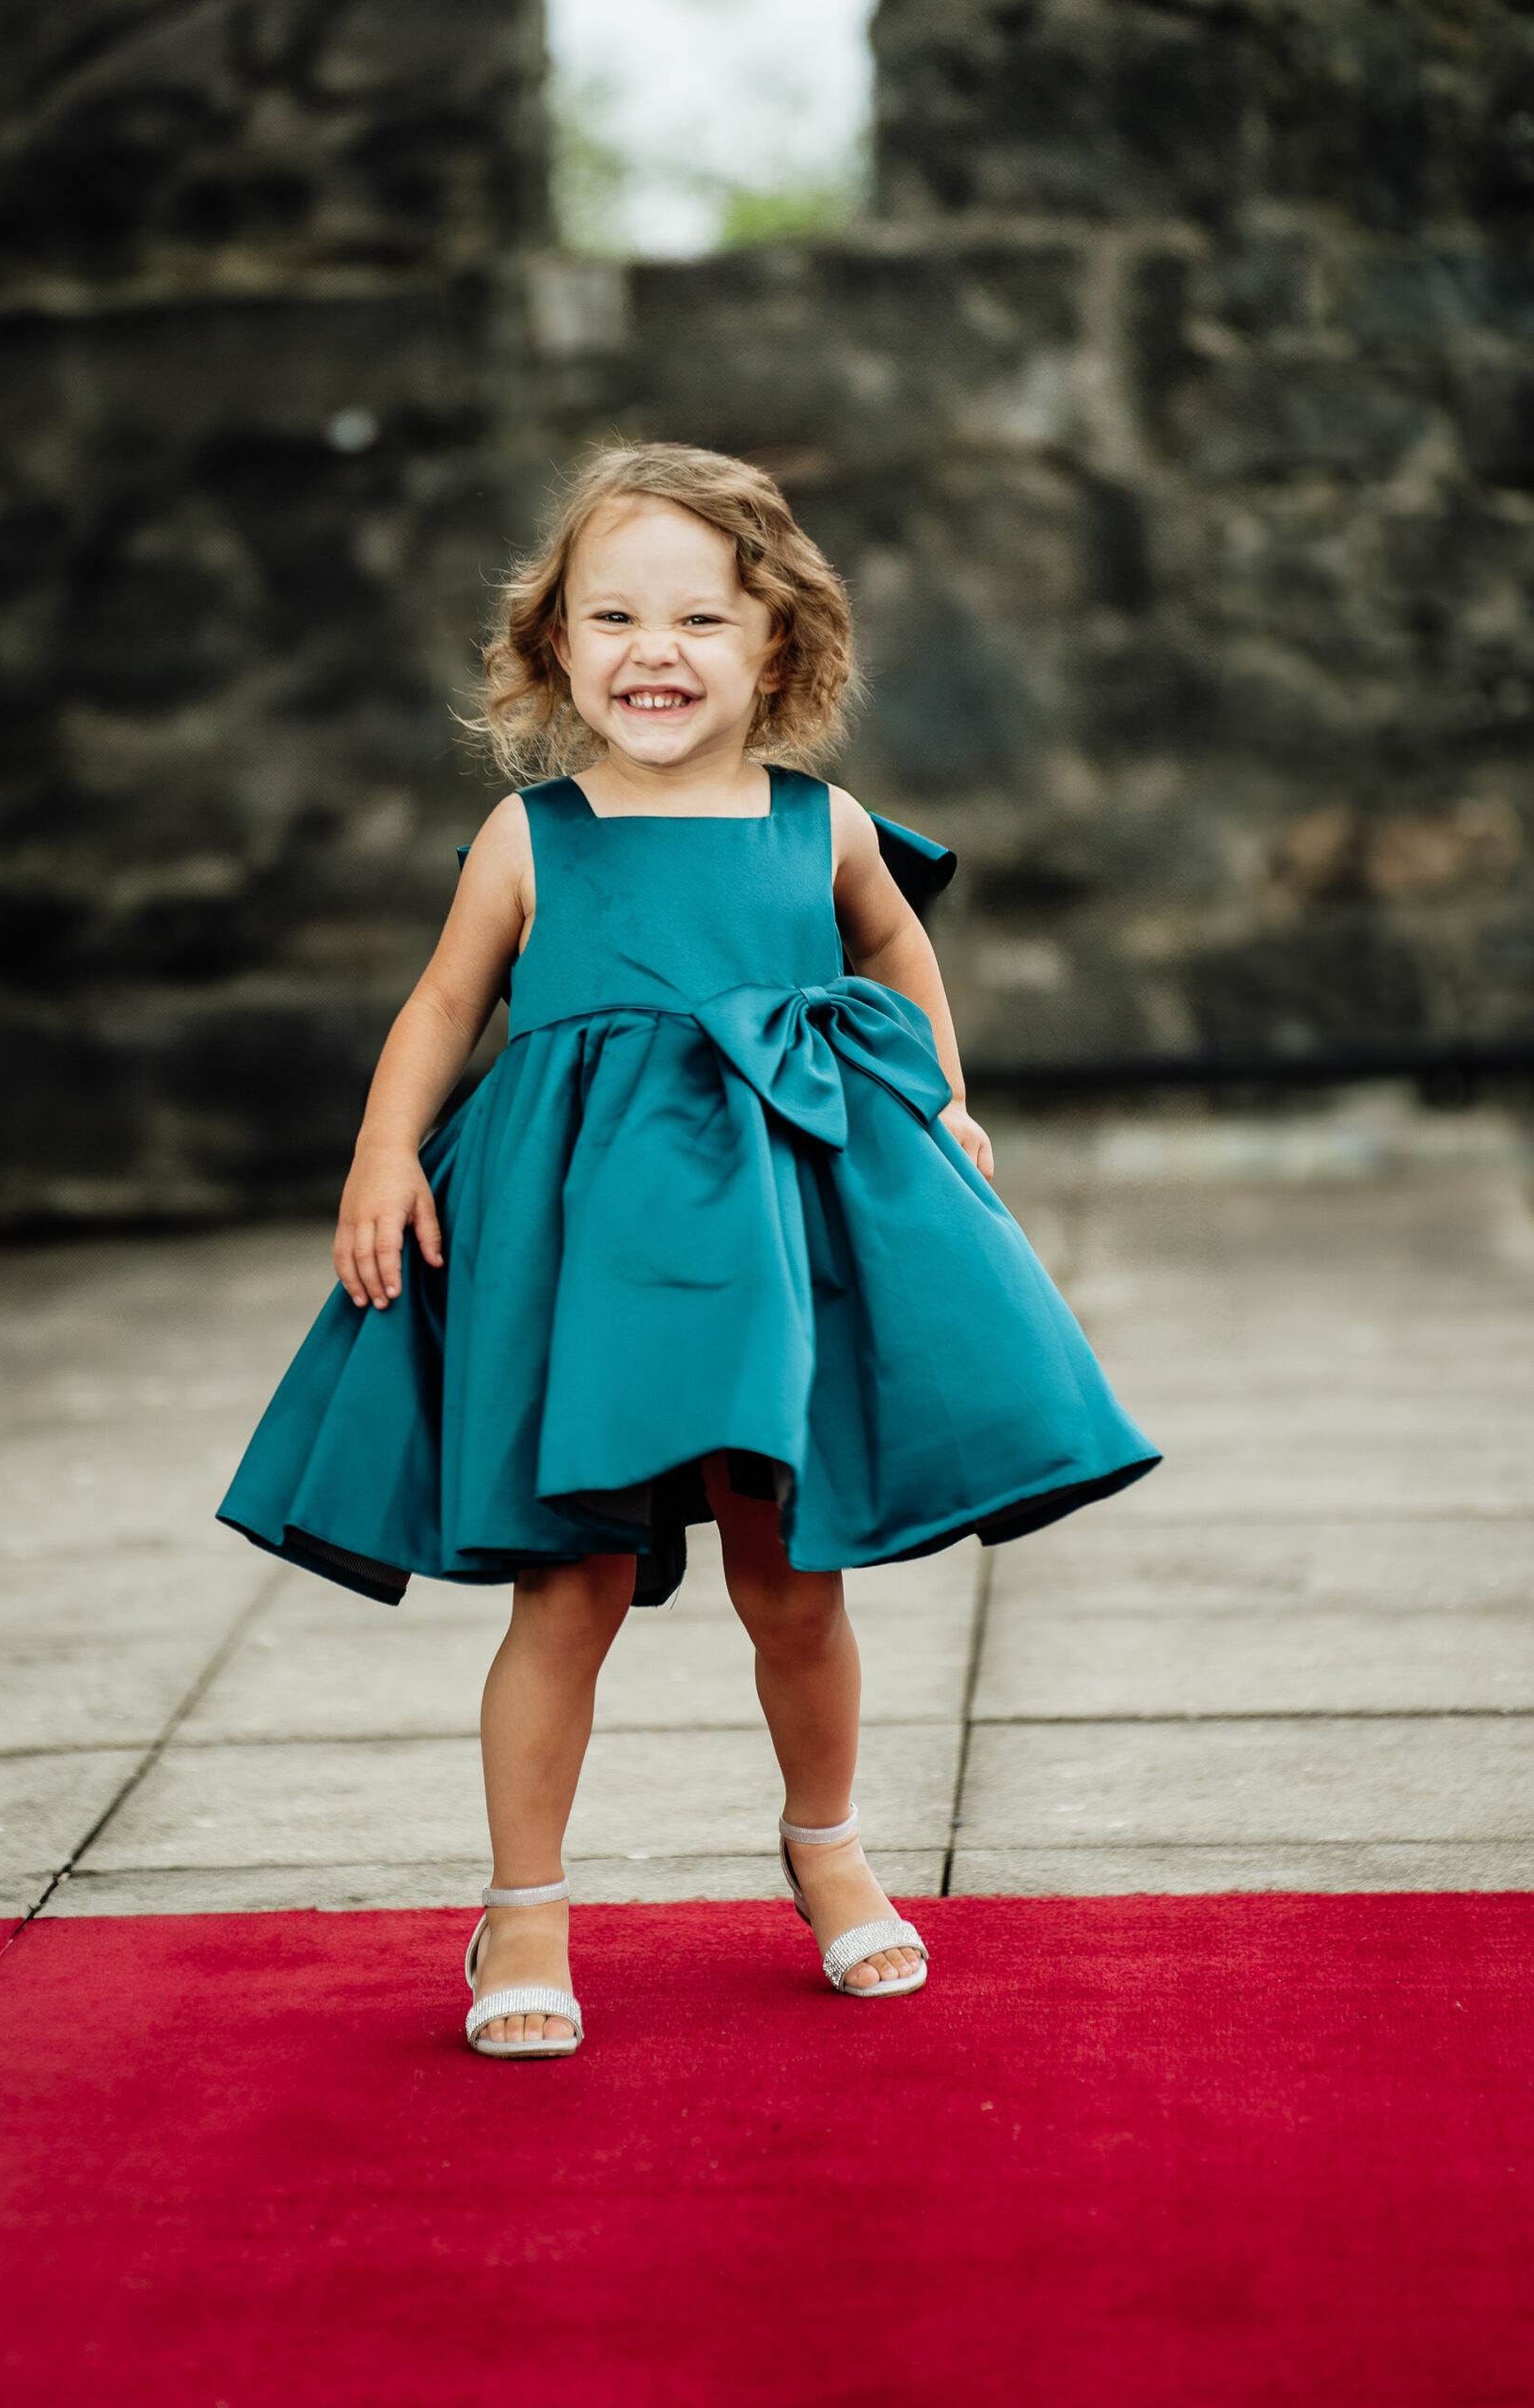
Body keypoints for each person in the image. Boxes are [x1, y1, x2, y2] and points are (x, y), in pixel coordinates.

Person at [219, 442, 1158, 2058]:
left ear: (776, 646)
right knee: (567, 1583)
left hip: (772, 1243)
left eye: (700, 619)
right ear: (555, 649)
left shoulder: (822, 825)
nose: (655, 650)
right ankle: (522, 1905)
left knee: (793, 1580)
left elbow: (895, 951)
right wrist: (385, 1152)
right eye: (612, 617)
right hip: (580, 1260)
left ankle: (830, 1848)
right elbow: (445, 1008)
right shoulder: (537, 841)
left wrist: (937, 1106)